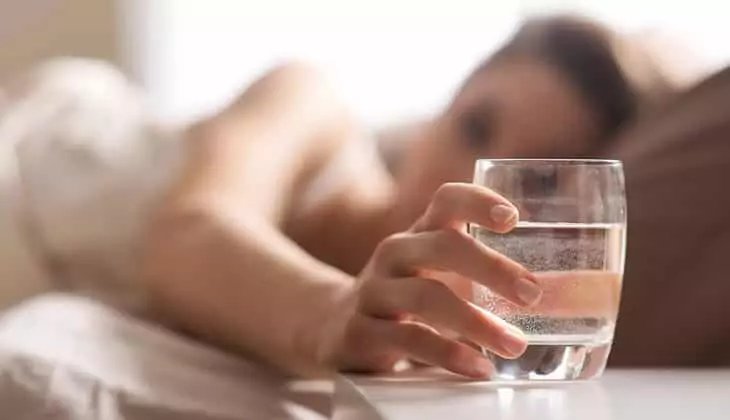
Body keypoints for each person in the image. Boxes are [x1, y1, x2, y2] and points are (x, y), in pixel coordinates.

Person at [0, 15, 679, 379]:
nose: (476, 182)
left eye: (527, 177)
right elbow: (188, 232)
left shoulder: (447, 338)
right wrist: (331, 314)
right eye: (475, 128)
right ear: (444, 103)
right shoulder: (317, 108)